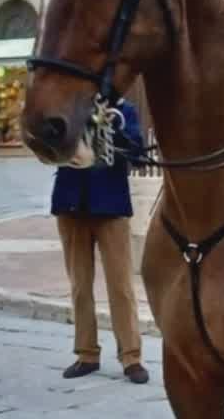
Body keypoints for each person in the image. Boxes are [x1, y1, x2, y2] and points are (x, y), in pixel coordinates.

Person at [51, 98, 149, 385]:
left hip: (111, 206)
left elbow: (138, 153)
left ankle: (131, 358)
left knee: (120, 286)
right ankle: (87, 354)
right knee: (79, 286)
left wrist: (113, 126)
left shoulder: (124, 109)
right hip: (70, 203)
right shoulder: (68, 105)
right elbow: (48, 147)